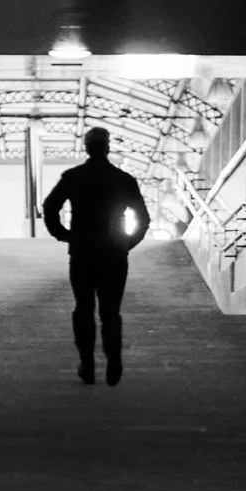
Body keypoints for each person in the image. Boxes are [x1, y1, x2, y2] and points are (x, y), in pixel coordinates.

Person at [42, 126, 151, 385]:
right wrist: (126, 243)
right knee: (111, 311)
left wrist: (64, 235)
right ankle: (114, 361)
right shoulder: (124, 179)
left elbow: (49, 206)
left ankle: (87, 363)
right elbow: (143, 219)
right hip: (114, 254)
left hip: (82, 253)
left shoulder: (73, 176)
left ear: (87, 148)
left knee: (83, 308)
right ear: (108, 147)